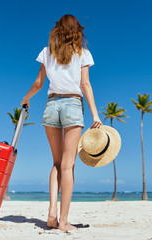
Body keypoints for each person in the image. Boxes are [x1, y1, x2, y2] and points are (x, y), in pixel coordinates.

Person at [21, 14, 102, 231]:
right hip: (73, 106)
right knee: (68, 165)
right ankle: (63, 221)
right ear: (78, 32)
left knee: (56, 163)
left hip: (51, 106)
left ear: (58, 30)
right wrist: (95, 114)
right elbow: (85, 84)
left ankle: (51, 213)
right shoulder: (83, 54)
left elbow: (39, 83)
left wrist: (26, 99)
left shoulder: (47, 52)